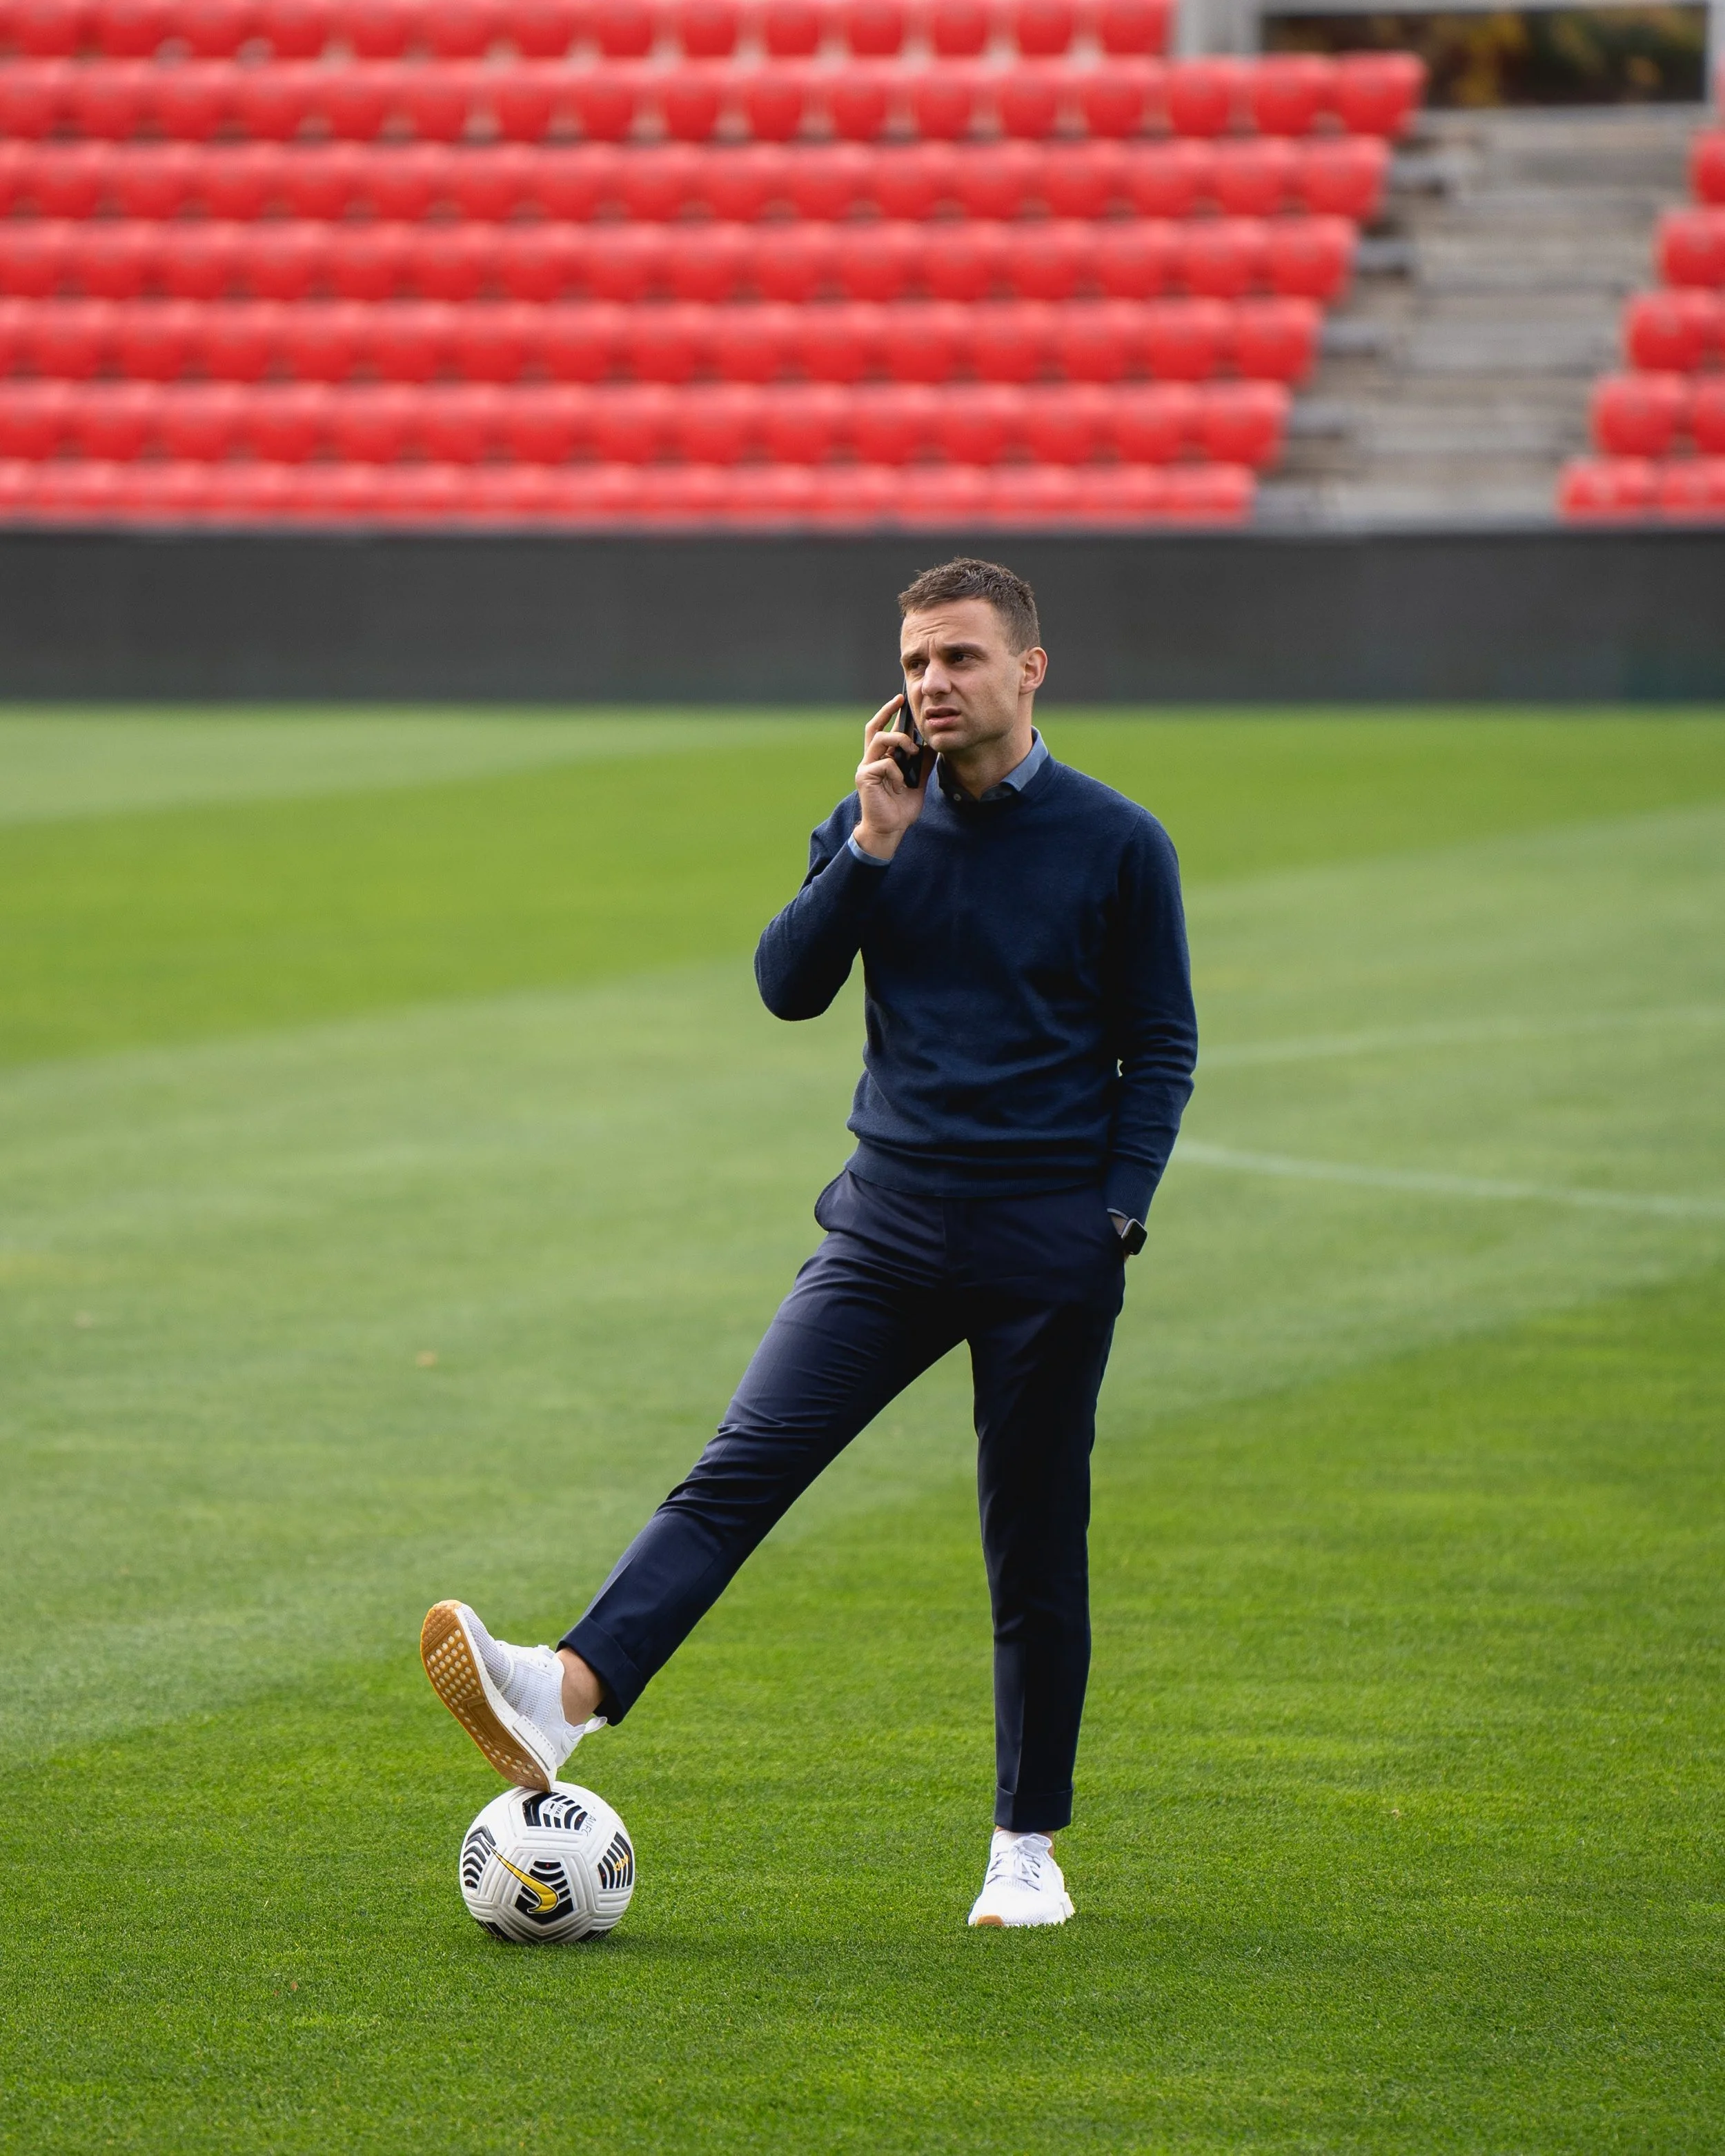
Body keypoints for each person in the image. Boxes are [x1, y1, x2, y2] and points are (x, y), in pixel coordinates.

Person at [421, 556, 1197, 1929]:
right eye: (913, 663)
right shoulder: (870, 819)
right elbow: (787, 985)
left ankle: (1026, 1848)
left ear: (1029, 669)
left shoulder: (1119, 842)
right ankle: (564, 1693)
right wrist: (872, 844)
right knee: (742, 1466)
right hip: (886, 1226)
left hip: (1046, 1246)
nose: (931, 683)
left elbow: (1163, 1045)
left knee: (1032, 1546)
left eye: (959, 657)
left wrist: (1112, 1216)